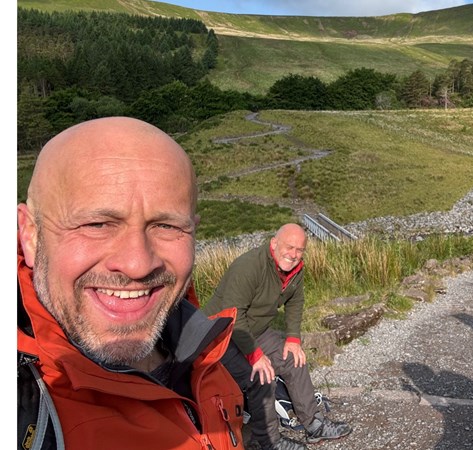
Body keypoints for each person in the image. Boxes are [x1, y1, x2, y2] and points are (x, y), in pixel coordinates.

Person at [17, 117, 246, 449]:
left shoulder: (203, 347)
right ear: (30, 235)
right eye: (97, 224)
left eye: (167, 226)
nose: (137, 265)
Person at [202, 223, 352, 445]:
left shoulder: (295, 270)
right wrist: (255, 354)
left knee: (294, 358)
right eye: (289, 247)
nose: (293, 254)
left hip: (255, 330)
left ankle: (313, 424)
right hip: (220, 335)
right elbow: (233, 313)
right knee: (262, 376)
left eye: (299, 250)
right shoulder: (249, 266)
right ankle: (269, 442)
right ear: (274, 243)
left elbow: (296, 301)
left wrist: (293, 338)